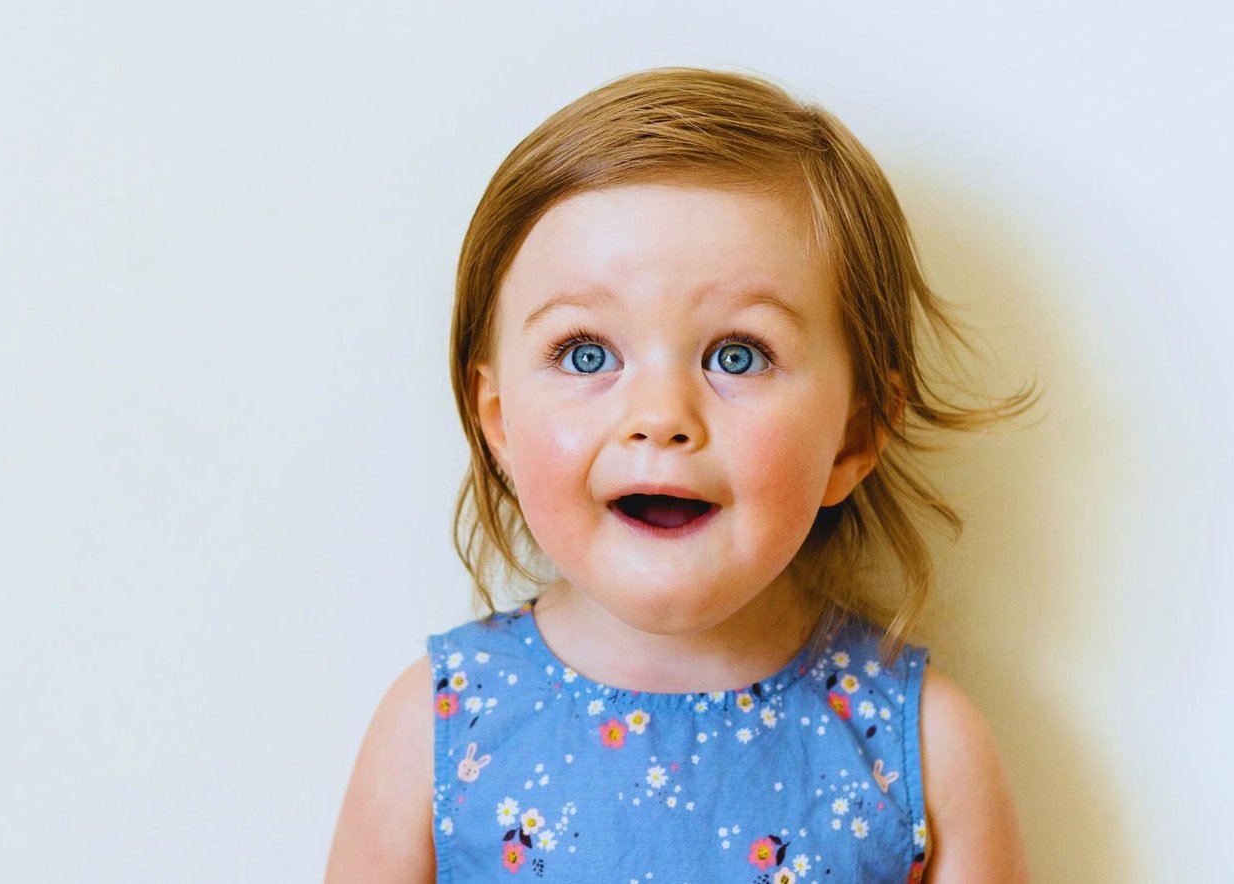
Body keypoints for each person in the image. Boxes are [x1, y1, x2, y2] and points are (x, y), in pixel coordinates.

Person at [326, 66, 1034, 882]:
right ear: (499, 428)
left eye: (739, 355)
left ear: (853, 436)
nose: (661, 415)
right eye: (586, 353)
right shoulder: (434, 728)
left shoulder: (926, 751)